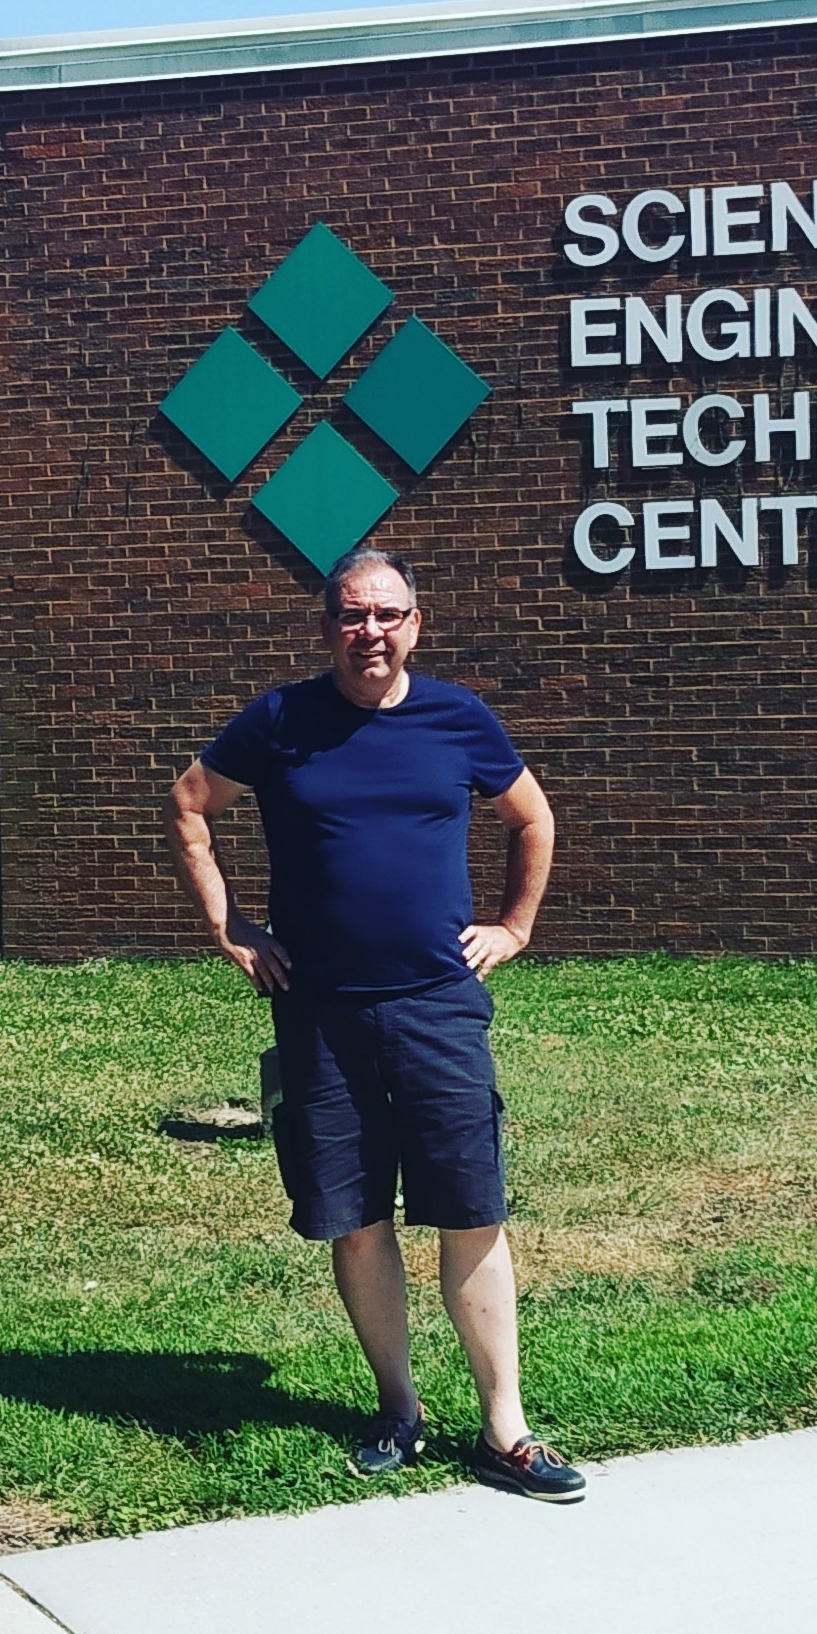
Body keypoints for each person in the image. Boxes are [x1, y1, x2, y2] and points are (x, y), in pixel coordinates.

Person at [167, 546, 582, 1501]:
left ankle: (506, 1430)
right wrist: (230, 927)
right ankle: (399, 1411)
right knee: (355, 1221)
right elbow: (190, 806)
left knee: (471, 1211)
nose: (371, 632)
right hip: (320, 1013)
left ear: (415, 625)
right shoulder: (281, 720)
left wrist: (514, 927)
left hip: (438, 1006)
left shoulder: (458, 717)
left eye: (388, 615)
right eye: (354, 615)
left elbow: (532, 819)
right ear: (328, 628)